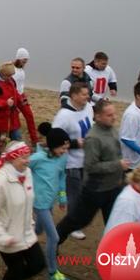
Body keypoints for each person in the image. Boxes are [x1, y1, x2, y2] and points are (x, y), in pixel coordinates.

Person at [56, 100, 129, 245]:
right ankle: (55, 240)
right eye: (109, 115)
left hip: (114, 187)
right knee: (78, 221)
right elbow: (91, 167)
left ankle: (114, 253)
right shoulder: (93, 138)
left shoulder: (112, 130)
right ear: (98, 117)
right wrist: (117, 165)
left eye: (114, 114)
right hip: (95, 190)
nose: (114, 117)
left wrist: (123, 177)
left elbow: (115, 154)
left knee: (114, 223)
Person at [0, 141, 44, 280]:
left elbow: (28, 200)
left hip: (26, 232)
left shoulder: (27, 173)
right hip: (7, 235)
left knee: (38, 264)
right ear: (12, 158)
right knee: (16, 269)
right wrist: (2, 236)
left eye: (28, 156)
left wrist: (30, 222)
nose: (27, 160)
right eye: (23, 157)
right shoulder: (1, 181)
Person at [29, 124, 71, 280]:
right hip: (39, 203)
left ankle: (21, 246)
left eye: (67, 148)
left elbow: (61, 177)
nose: (65, 151)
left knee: (38, 231)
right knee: (54, 237)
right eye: (63, 148)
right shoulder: (37, 158)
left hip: (50, 202)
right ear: (53, 146)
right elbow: (21, 167)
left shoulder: (62, 158)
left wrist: (62, 197)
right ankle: (53, 273)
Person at [51, 82, 94, 240]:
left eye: (88, 94)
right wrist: (75, 143)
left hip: (86, 160)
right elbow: (54, 139)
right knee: (74, 195)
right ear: (74, 96)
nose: (87, 97)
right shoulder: (64, 116)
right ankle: (73, 226)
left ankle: (74, 220)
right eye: (84, 94)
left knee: (83, 192)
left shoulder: (88, 107)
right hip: (70, 163)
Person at [12, 48, 37, 142]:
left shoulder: (21, 70)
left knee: (29, 115)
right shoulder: (11, 69)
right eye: (24, 60)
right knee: (11, 120)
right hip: (13, 97)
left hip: (21, 96)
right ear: (19, 58)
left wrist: (24, 97)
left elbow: (20, 86)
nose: (25, 62)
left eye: (26, 60)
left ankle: (34, 140)